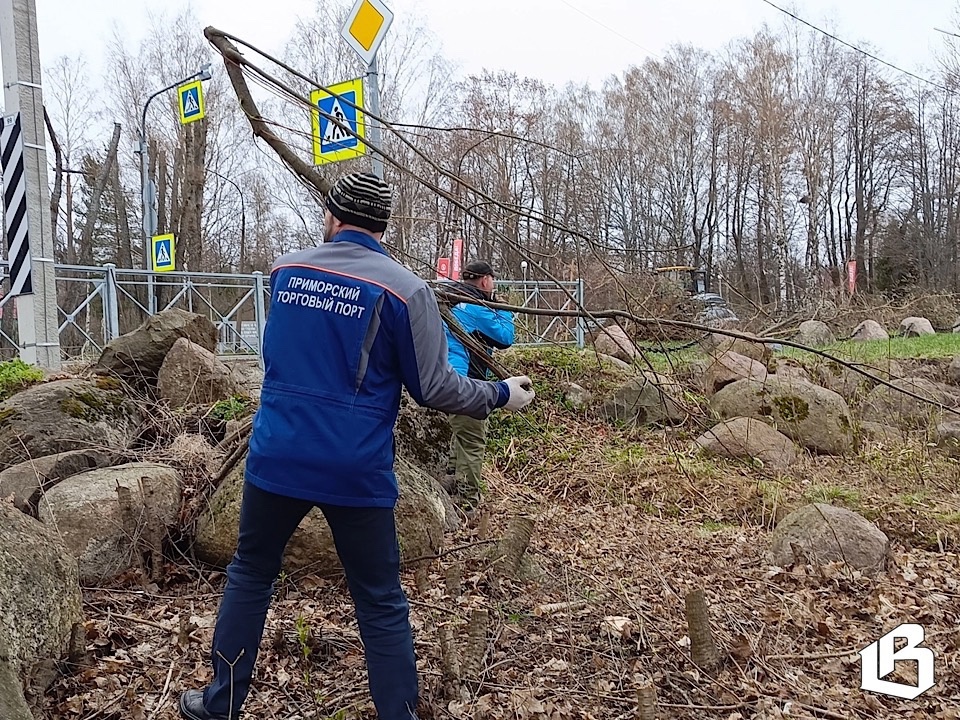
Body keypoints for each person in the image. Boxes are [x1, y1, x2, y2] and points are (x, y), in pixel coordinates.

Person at [178, 172, 535, 720]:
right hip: (355, 466)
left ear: (333, 215)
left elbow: (280, 358)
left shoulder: (286, 272)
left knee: (251, 573)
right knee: (379, 598)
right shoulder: (406, 290)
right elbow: (433, 387)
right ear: (383, 225)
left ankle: (220, 705)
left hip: (277, 455)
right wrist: (498, 394)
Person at [442, 260, 515, 512]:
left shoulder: (450, 299)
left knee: (460, 434)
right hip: (468, 381)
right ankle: (467, 503)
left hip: (446, 377)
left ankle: (451, 481)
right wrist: (503, 308)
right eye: (492, 280)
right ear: (485, 280)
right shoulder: (474, 307)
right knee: (473, 440)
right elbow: (505, 338)